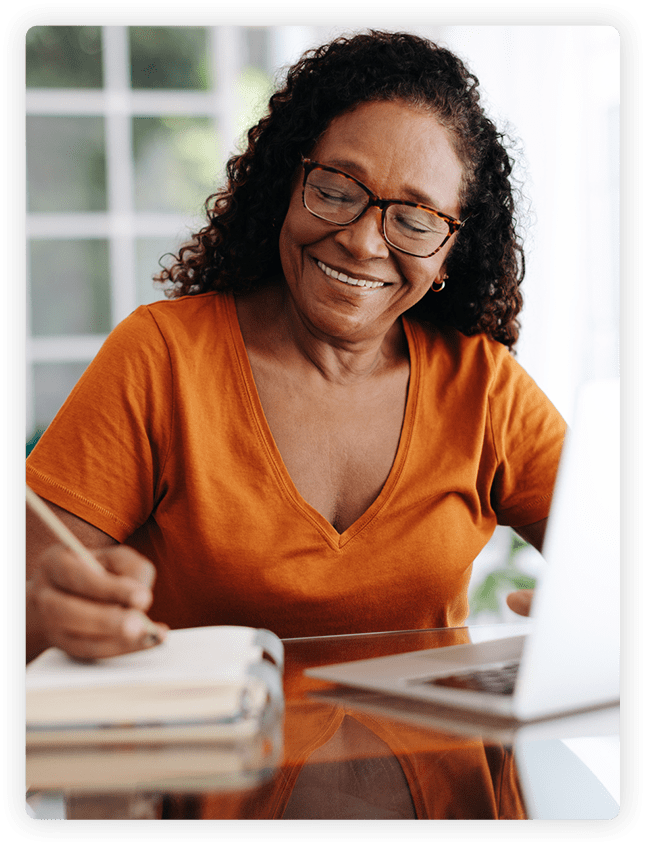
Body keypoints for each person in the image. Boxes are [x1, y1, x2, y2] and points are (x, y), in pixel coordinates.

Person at [26, 31, 565, 666]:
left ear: (450, 253)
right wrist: (52, 613)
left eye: (415, 221)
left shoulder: (483, 386)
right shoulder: (162, 358)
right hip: (212, 733)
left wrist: (596, 609)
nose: (363, 243)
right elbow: (28, 599)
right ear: (287, 184)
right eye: (335, 192)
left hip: (437, 737)